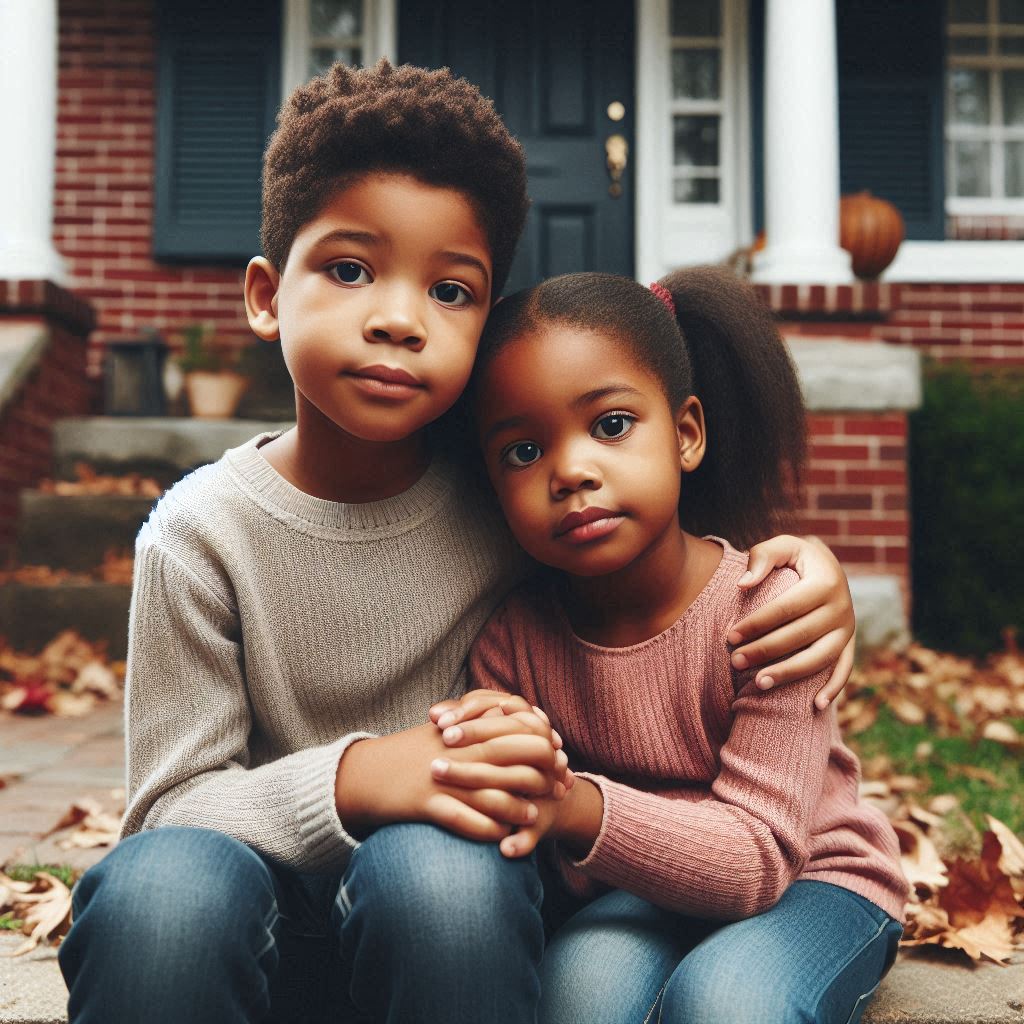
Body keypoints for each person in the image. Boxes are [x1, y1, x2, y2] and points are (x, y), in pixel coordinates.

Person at [60, 61, 859, 1023]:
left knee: (443, 872)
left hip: (445, 914)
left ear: (483, 329)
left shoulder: (509, 496)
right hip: (249, 915)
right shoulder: (196, 537)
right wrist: (359, 779)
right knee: (161, 893)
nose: (399, 319)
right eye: (350, 271)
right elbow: (166, 811)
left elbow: (662, 557)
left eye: (450, 289)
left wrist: (806, 568)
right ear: (268, 296)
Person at [430, 267, 907, 1024]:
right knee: (578, 997)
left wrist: (572, 805)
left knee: (726, 1002)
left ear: (686, 434)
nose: (572, 471)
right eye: (522, 452)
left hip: (812, 880)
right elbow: (533, 844)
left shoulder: (769, 610)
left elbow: (756, 861)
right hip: (637, 891)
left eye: (611, 425)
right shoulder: (512, 645)